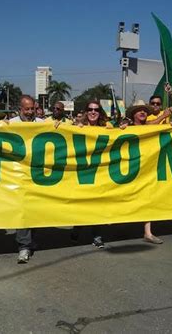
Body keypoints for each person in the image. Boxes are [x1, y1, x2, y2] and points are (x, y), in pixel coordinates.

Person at [124, 100, 166, 243]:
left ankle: (147, 232)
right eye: (139, 110)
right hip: (127, 169)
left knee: (147, 197)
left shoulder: (150, 127)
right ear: (133, 113)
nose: (142, 112)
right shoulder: (126, 127)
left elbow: (167, 117)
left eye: (144, 110)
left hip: (146, 168)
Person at [72, 99, 112, 248]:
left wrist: (123, 127)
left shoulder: (107, 127)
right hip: (82, 173)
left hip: (100, 173)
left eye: (96, 109)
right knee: (83, 206)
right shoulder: (77, 127)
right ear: (86, 112)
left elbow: (119, 135)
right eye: (90, 109)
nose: (93, 112)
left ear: (100, 112)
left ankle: (97, 236)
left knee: (98, 207)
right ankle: (77, 228)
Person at [9, 95, 44, 263]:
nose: (30, 112)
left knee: (35, 209)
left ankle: (31, 240)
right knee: (22, 209)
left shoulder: (43, 123)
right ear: (20, 109)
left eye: (32, 109)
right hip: (18, 175)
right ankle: (23, 247)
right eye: (27, 109)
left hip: (37, 175)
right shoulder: (10, 124)